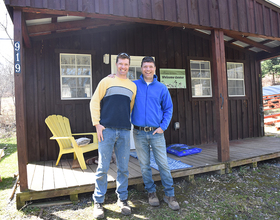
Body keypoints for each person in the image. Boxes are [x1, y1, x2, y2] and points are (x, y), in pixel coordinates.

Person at [90, 52, 137, 219]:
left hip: (124, 131)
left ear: (128, 66)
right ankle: (98, 202)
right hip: (107, 131)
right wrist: (97, 124)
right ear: (116, 65)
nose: (123, 67)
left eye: (126, 64)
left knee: (123, 168)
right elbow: (94, 101)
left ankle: (122, 199)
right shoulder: (106, 81)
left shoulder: (133, 86)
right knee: (102, 167)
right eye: (120, 64)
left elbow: (129, 107)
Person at [131, 56, 180, 210]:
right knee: (144, 165)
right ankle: (151, 192)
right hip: (139, 133)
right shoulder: (133, 85)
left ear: (154, 69)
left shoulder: (161, 88)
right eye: (145, 66)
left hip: (156, 133)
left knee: (163, 165)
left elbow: (168, 108)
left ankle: (169, 194)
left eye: (150, 66)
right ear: (141, 68)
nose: (148, 69)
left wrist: (163, 127)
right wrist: (111, 77)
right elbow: (119, 86)